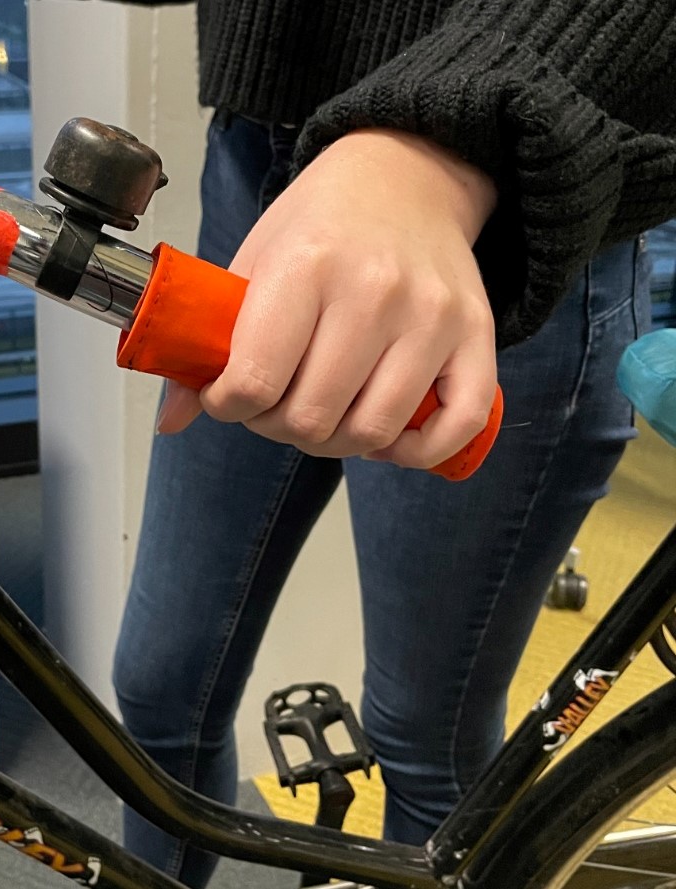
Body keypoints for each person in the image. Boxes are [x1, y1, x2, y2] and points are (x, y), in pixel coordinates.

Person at [107, 0, 676, 885]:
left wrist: (437, 140)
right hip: (260, 174)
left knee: (426, 746)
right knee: (158, 687)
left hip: (507, 225)